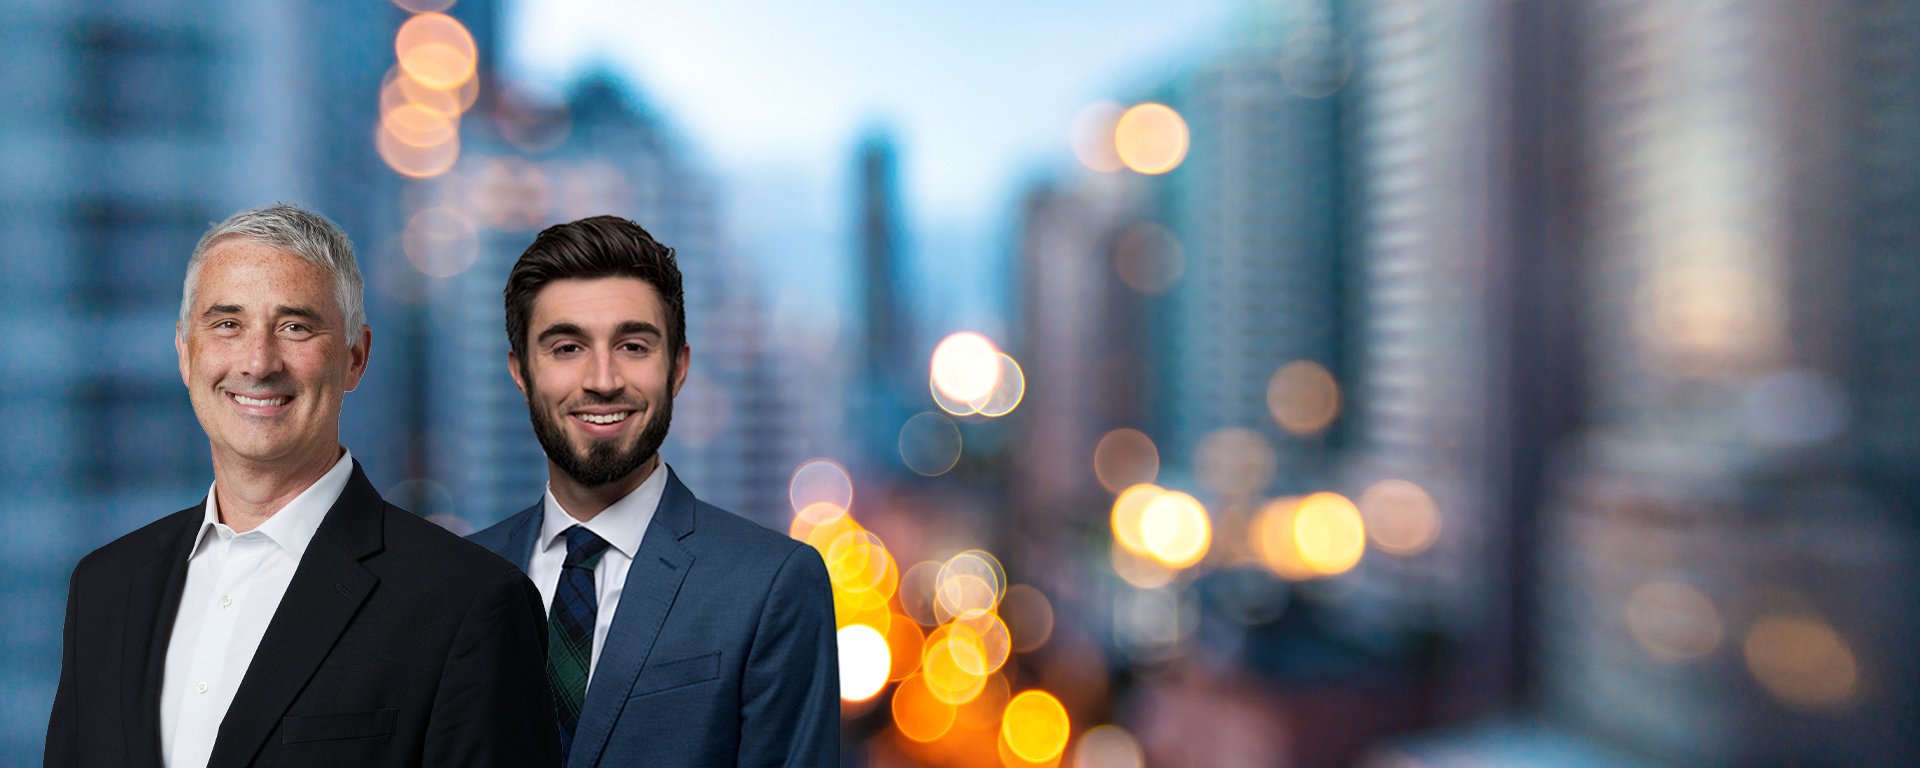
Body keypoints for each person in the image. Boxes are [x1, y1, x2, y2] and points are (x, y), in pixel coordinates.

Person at [46, 204, 560, 768]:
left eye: (295, 326)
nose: (259, 361)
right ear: (185, 353)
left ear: (355, 358)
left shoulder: (469, 604)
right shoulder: (104, 589)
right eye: (227, 324)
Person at [469, 216, 839, 766]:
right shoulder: (459, 578)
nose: (603, 379)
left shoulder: (773, 585)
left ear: (679, 368)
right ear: (521, 372)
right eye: (567, 348)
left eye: (634, 346)